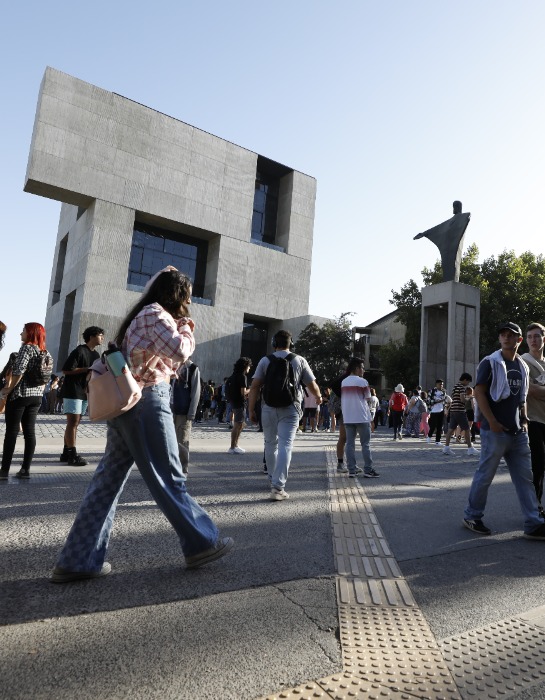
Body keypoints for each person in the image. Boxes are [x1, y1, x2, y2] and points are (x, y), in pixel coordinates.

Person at [51, 268, 233, 583]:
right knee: (168, 476)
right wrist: (188, 327)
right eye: (187, 297)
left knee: (109, 480)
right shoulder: (155, 314)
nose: (189, 304)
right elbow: (180, 350)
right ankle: (202, 542)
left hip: (129, 404)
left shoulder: (142, 313)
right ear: (179, 296)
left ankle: (78, 558)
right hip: (147, 401)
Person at [463, 321, 545, 539]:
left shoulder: (522, 366)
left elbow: (522, 397)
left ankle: (533, 523)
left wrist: (525, 420)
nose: (506, 338)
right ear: (499, 338)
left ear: (519, 340)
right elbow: (479, 393)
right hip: (494, 431)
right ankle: (472, 515)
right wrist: (492, 422)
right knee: (485, 476)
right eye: (502, 335)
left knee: (525, 478)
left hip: (518, 433)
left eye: (511, 335)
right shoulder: (490, 363)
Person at [248, 330, 321, 500]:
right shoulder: (299, 360)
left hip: (268, 407)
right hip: (291, 407)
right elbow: (312, 384)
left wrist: (251, 409)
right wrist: (318, 397)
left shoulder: (265, 360)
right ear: (291, 344)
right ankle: (278, 487)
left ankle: (272, 478)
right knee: (285, 445)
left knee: (270, 443)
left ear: (274, 343)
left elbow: (255, 386)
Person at [0, 323, 51, 480]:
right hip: (36, 397)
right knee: (29, 432)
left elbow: (19, 370)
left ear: (30, 333)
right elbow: (46, 377)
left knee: (12, 432)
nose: (20, 334)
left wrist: (8, 389)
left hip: (20, 395)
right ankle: (25, 470)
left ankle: (4, 471)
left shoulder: (27, 348)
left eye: (23, 331)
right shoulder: (46, 352)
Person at [60, 326, 104, 466]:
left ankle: (66, 452)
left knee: (76, 423)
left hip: (84, 392)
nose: (102, 337)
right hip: (72, 390)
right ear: (91, 336)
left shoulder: (96, 355)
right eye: (100, 335)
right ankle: (72, 455)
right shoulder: (79, 351)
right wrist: (87, 369)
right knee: (72, 422)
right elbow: (66, 369)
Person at [521, 322, 545, 516]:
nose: (533, 340)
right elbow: (530, 390)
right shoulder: (523, 361)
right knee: (537, 466)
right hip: (532, 420)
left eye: (537, 336)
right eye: (530, 337)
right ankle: (535, 508)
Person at [341, 357, 379, 478]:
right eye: (362, 368)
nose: (364, 370)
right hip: (362, 417)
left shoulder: (344, 382)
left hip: (348, 417)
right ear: (357, 368)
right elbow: (368, 400)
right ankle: (368, 470)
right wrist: (371, 419)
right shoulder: (363, 382)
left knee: (350, 444)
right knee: (365, 444)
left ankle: (351, 469)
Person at [171, 358, 201, 475]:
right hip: (169, 409)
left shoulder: (193, 368)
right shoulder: (170, 364)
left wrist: (192, 412)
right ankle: (170, 466)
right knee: (167, 440)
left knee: (182, 440)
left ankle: (182, 468)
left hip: (184, 411)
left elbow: (196, 392)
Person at [442, 373, 479, 456]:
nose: (468, 384)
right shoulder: (461, 387)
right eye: (468, 382)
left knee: (451, 429)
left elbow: (454, 397)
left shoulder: (455, 386)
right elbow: (462, 400)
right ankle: (470, 448)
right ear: (465, 380)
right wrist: (470, 398)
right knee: (466, 429)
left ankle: (446, 448)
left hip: (453, 410)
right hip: (460, 410)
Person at [227, 357, 252, 455]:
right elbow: (243, 392)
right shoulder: (243, 377)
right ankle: (233, 446)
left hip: (233, 402)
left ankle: (235, 445)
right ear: (245, 366)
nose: (249, 368)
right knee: (238, 424)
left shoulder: (232, 376)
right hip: (239, 403)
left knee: (240, 424)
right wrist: (251, 389)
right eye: (249, 366)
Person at [427, 379, 446, 445]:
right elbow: (428, 401)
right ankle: (429, 436)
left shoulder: (443, 391)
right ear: (436, 384)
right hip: (434, 410)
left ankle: (437, 441)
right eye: (440, 384)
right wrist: (437, 401)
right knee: (433, 425)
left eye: (442, 384)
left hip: (441, 410)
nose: (441, 386)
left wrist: (445, 408)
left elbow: (444, 401)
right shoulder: (432, 391)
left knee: (440, 426)